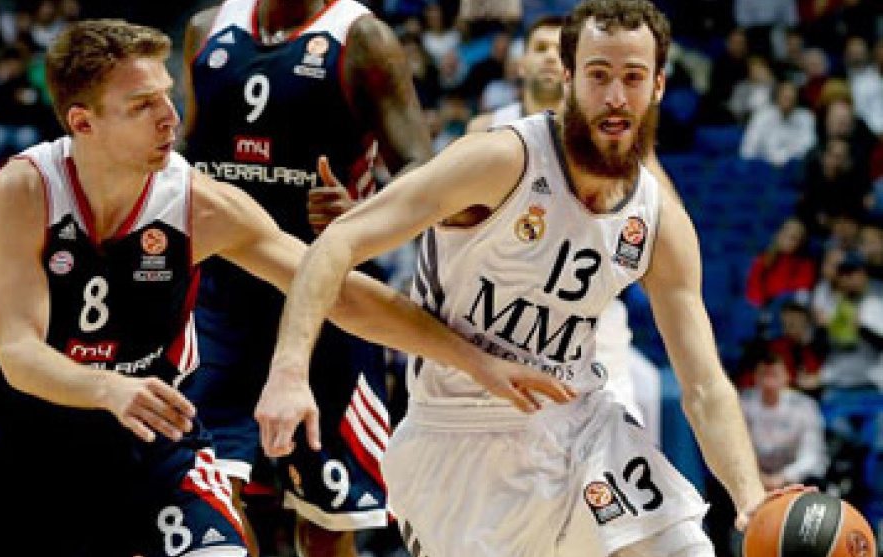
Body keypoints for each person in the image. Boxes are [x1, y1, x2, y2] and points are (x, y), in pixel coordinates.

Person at [0, 19, 568, 557]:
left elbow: (336, 291)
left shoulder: (200, 205)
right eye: (142, 105)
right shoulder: (24, 191)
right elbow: (19, 353)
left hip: (146, 438)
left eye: (167, 95)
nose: (170, 117)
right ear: (83, 122)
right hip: (19, 439)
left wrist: (471, 358)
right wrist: (108, 388)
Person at [258, 2, 781, 556]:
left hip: (582, 426)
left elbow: (703, 385)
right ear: (569, 78)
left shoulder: (659, 220)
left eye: (632, 78)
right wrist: (289, 371)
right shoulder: (501, 159)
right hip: (458, 439)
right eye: (599, 75)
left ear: (658, 85)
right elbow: (337, 242)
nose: (615, 96)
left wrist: (750, 497)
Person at [179, 0, 432, 555]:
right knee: (211, 500)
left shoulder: (362, 39)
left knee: (327, 523)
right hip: (219, 299)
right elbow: (183, 150)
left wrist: (363, 214)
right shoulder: (206, 29)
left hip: (326, 297)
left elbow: (421, 170)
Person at [468, 13, 663, 430]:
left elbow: (664, 216)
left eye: (559, 51)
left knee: (625, 424)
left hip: (589, 313)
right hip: (504, 310)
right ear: (520, 63)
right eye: (539, 49)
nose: (549, 59)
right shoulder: (489, 130)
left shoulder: (607, 136)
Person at [740, 354, 828, 490]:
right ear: (755, 377)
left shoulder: (804, 406)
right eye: (764, 375)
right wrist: (758, 476)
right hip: (754, 476)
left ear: (787, 376)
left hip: (795, 477)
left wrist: (784, 477)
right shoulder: (742, 404)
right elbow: (735, 451)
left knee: (816, 479)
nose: (769, 381)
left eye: (774, 375)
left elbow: (812, 454)